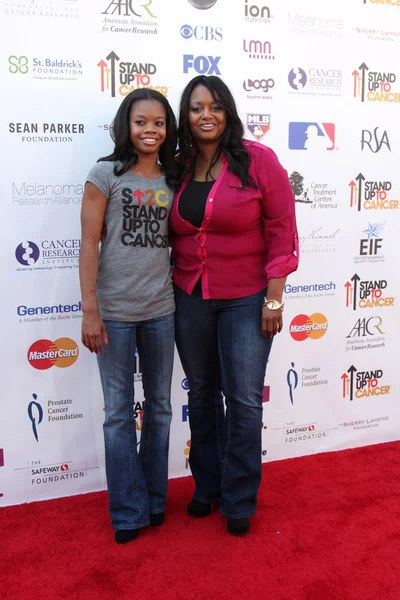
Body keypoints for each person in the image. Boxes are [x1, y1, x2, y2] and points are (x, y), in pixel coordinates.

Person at [170, 76, 299, 536]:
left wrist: (274, 297)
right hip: (191, 294)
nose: (206, 115)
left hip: (247, 297)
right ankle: (207, 487)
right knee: (202, 393)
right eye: (196, 107)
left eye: (215, 106)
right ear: (185, 116)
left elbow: (283, 228)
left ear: (228, 112)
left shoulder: (258, 160)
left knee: (243, 399)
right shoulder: (179, 165)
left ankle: (239, 498)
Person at [79, 89, 178, 544]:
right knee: (118, 415)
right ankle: (127, 512)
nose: (150, 130)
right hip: (114, 314)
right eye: (141, 122)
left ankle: (154, 503)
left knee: (158, 408)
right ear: (127, 125)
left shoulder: (174, 177)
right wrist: (91, 311)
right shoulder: (105, 174)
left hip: (161, 309)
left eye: (158, 123)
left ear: (167, 129)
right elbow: (88, 244)